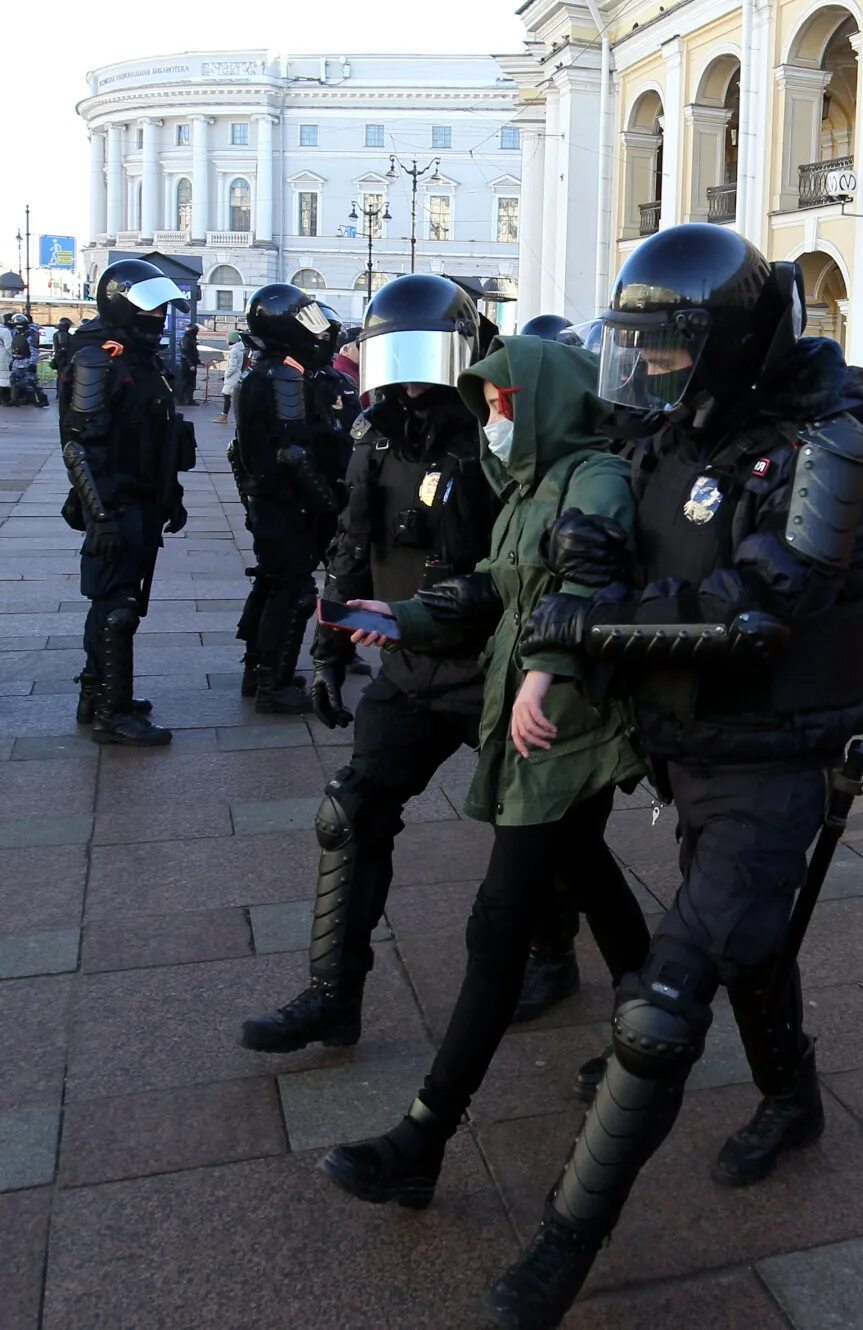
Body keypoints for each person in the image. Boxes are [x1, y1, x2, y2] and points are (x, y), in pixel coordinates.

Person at [474, 224, 863, 1326]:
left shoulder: (827, 445)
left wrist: (594, 624)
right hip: (686, 745)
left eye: (667, 348)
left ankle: (560, 1250)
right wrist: (585, 562)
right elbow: (604, 521)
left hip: (772, 756)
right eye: (639, 349)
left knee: (662, 1006)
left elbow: (754, 615)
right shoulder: (681, 428)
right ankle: (791, 1098)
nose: (649, 369)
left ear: (728, 341)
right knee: (746, 934)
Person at [314, 332, 652, 1219]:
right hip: (535, 709)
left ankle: (422, 1137)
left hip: (558, 724)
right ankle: (650, 1020)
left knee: (497, 925)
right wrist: (405, 616)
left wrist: (542, 669)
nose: (493, 419)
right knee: (589, 870)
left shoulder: (595, 478)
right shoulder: (533, 484)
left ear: (545, 401)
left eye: (505, 404)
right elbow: (498, 585)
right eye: (490, 405)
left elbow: (590, 587)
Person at [238, 278, 588, 1053]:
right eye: (392, 354)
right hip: (408, 667)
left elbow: (519, 563)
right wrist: (331, 647)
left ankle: (554, 952)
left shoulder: (501, 432)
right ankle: (335, 992)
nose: (408, 374)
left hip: (495, 665)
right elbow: (353, 544)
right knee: (352, 813)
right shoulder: (376, 431)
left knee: (538, 826)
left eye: (422, 353)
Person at [57, 260, 192, 747]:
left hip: (141, 497)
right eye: (149, 307)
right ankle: (112, 712)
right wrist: (103, 514)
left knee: (121, 600)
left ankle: (100, 692)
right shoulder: (100, 359)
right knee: (117, 607)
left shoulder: (136, 358)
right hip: (115, 501)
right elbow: (80, 447)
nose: (158, 317)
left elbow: (157, 435)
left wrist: (169, 493)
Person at [231, 285, 348, 714]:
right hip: (288, 503)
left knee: (272, 584)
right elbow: (294, 453)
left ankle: (257, 669)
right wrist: (329, 506)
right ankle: (273, 683)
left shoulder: (264, 369)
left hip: (273, 501)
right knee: (293, 593)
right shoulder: (284, 374)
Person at [216, 331, 247, 423]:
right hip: (236, 375)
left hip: (232, 377)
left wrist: (226, 375)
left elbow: (232, 367)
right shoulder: (240, 350)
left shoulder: (234, 351)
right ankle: (224, 416)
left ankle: (224, 417)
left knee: (227, 395)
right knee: (232, 396)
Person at [177, 323, 201, 405]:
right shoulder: (186, 339)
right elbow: (185, 353)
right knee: (185, 382)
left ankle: (189, 400)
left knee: (190, 383)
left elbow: (193, 352)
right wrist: (190, 364)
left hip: (191, 363)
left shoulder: (190, 339)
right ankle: (181, 400)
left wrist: (198, 361)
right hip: (187, 365)